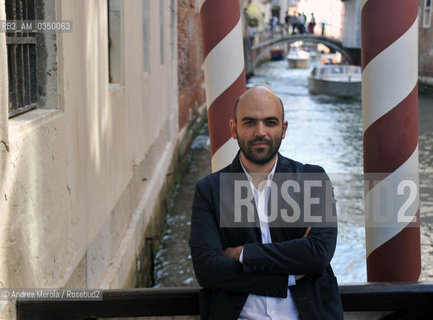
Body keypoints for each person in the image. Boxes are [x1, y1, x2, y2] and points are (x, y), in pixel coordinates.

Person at [189, 86, 344, 320]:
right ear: (234, 129)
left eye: (270, 122)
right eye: (250, 123)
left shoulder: (313, 179)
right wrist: (289, 276)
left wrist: (243, 254)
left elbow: (319, 253)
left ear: (283, 129)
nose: (260, 132)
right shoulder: (209, 189)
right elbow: (208, 270)